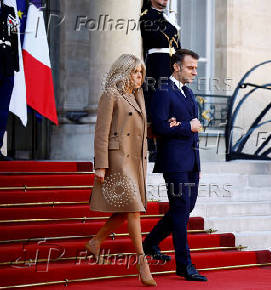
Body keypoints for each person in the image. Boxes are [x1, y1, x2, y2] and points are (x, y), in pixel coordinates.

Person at [87, 54, 157, 286]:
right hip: (118, 160)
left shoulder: (137, 96)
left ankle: (96, 241)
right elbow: (101, 132)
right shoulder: (111, 94)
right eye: (135, 72)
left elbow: (138, 129)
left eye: (141, 73)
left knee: (129, 207)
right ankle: (141, 262)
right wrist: (101, 165)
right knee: (135, 209)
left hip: (135, 161)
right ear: (124, 71)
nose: (139, 77)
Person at [142, 49, 207, 282]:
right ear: (176, 67)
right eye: (191, 67)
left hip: (191, 162)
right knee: (180, 210)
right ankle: (184, 265)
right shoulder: (163, 91)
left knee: (185, 209)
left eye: (196, 68)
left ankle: (149, 243)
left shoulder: (187, 92)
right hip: (173, 162)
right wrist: (184, 126)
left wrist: (184, 126)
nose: (195, 72)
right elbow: (159, 127)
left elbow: (191, 127)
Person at [140, 0, 181, 161]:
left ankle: (169, 146)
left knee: (172, 105)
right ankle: (153, 148)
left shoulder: (167, 19)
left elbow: (177, 45)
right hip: (156, 65)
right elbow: (155, 39)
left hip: (171, 66)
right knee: (155, 105)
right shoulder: (146, 16)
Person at [0, 0, 19, 161]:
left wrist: (15, 66)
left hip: (6, 69)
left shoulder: (10, 11)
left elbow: (14, 39)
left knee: (2, 111)